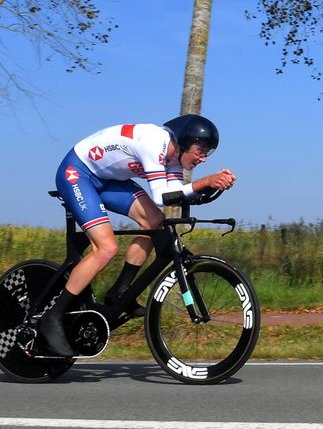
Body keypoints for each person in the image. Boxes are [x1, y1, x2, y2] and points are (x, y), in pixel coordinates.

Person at [40, 114, 237, 356]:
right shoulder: (153, 142)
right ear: (185, 142)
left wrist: (207, 188)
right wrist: (204, 181)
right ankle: (53, 316)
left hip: (107, 180)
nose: (203, 158)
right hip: (77, 174)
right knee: (106, 248)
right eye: (201, 150)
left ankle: (120, 291)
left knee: (154, 221)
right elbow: (159, 196)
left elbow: (174, 194)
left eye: (208, 153)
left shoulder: (174, 160)